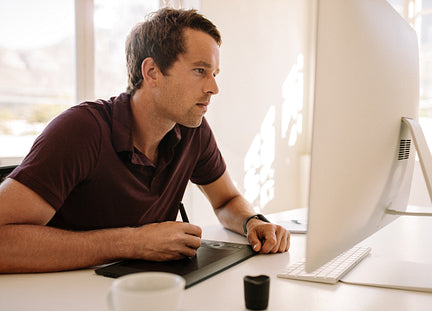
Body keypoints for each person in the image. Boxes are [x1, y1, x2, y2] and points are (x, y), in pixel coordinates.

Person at [0, 8, 290, 273]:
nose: (214, 87)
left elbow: (226, 200)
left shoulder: (193, 129)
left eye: (214, 73)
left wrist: (252, 221)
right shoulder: (80, 130)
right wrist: (133, 242)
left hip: (145, 294)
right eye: (200, 71)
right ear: (151, 72)